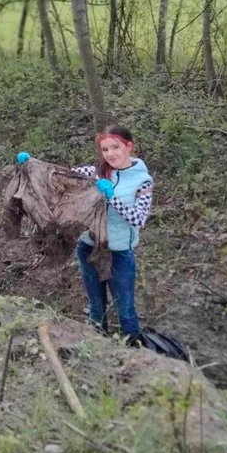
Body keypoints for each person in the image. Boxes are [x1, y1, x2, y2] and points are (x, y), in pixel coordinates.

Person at [70, 124, 153, 342]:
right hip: (89, 246)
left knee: (125, 310)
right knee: (96, 307)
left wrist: (112, 197)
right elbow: (67, 173)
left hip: (119, 253)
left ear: (129, 146)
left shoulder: (142, 180)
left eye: (115, 148)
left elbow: (139, 218)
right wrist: (33, 165)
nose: (110, 154)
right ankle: (98, 351)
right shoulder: (97, 171)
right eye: (105, 150)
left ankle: (135, 354)